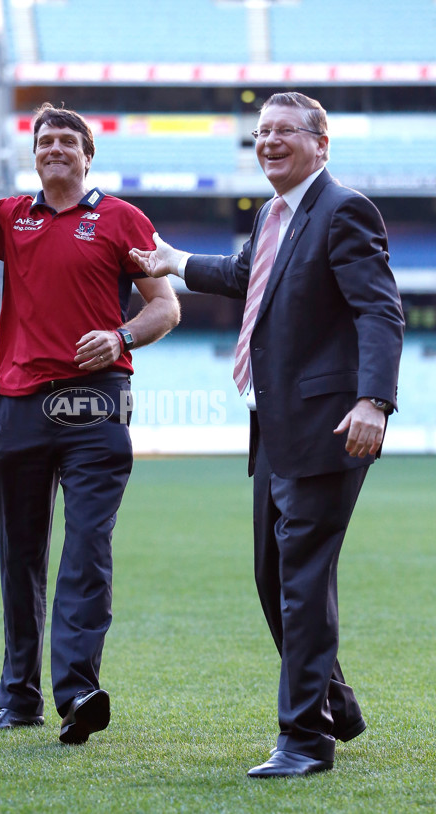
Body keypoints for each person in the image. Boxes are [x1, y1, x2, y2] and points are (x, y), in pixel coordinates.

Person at [130, 92, 404, 777]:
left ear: (321, 144)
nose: (270, 141)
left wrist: (374, 400)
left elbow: (380, 311)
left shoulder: (344, 211)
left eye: (285, 130)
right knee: (273, 577)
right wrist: (174, 260)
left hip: (331, 425)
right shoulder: (276, 215)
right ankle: (334, 705)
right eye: (262, 132)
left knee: (302, 581)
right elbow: (246, 274)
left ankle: (305, 741)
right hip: (277, 426)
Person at [0, 89, 180, 744]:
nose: (55, 149)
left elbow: (164, 307)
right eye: (43, 142)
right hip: (22, 405)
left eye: (67, 142)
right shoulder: (9, 219)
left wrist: (120, 338)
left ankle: (79, 693)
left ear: (88, 157)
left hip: (96, 405)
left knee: (86, 550)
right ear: (33, 158)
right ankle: (17, 700)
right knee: (20, 557)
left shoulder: (121, 220)